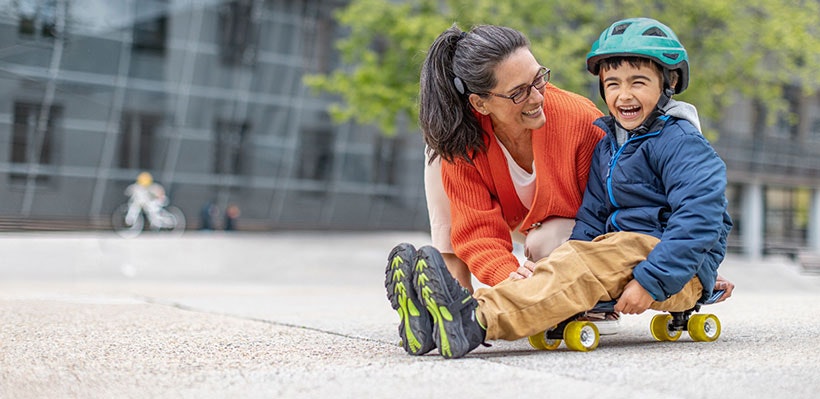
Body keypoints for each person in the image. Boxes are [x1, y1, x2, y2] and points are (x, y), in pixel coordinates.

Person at [386, 17, 735, 358]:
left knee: (577, 267)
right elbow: (592, 214)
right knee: (571, 261)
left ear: (669, 83)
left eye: (638, 83)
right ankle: (435, 321)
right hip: (623, 253)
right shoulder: (612, 144)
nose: (624, 95)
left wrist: (656, 279)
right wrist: (574, 252)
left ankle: (476, 319)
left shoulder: (682, 143)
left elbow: (701, 218)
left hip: (668, 268)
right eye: (613, 84)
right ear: (480, 102)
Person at [419, 25, 605, 295]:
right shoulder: (467, 138)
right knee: (439, 149)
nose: (537, 97)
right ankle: (455, 290)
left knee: (546, 240)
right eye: (519, 92)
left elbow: (607, 213)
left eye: (538, 79)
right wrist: (510, 277)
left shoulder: (580, 120)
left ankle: (588, 302)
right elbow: (478, 231)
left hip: (571, 227)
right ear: (480, 104)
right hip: (515, 220)